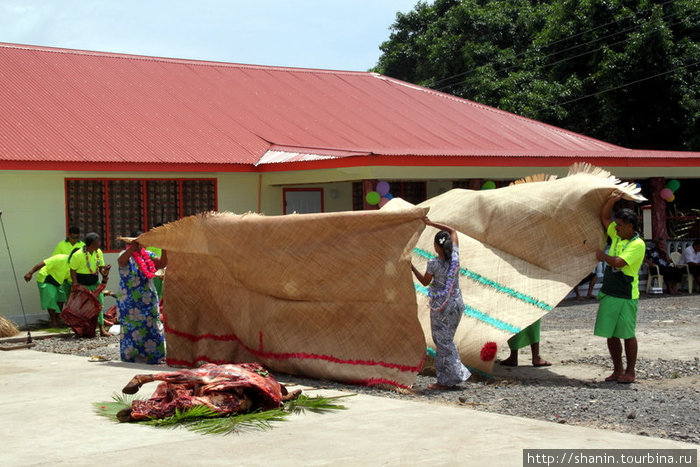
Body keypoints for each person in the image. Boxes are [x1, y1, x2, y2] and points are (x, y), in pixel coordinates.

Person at [411, 217, 471, 390]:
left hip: (441, 307)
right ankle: (450, 377)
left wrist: (412, 268)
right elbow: (453, 231)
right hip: (457, 304)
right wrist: (432, 224)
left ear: (437, 246)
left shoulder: (434, 263)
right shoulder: (455, 259)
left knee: (443, 342)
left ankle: (450, 378)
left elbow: (424, 282)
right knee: (447, 340)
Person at [594, 194, 646, 384]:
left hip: (626, 294)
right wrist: (612, 200)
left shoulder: (637, 244)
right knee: (611, 333)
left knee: (627, 334)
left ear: (630, 226)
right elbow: (605, 217)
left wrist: (602, 256)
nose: (615, 227)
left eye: (620, 225)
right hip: (610, 290)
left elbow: (619, 262)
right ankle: (617, 370)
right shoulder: (617, 234)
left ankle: (630, 372)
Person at [117, 235, 167, 364]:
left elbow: (162, 264)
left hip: (147, 296)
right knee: (131, 327)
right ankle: (131, 356)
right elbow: (121, 262)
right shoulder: (125, 254)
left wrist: (165, 249)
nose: (143, 246)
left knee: (152, 324)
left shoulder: (148, 254)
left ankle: (154, 355)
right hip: (130, 298)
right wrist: (131, 250)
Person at [68, 232, 111, 337]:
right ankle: (82, 329)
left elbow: (100, 267)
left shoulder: (98, 252)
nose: (99, 244)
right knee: (83, 308)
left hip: (95, 283)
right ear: (91, 244)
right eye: (97, 242)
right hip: (83, 284)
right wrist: (75, 284)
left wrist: (104, 271)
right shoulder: (77, 254)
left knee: (99, 305)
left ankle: (101, 329)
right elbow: (72, 270)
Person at [24, 254, 71, 327]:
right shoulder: (60, 258)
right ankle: (53, 321)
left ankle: (57, 317)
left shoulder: (76, 265)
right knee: (51, 298)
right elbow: (43, 263)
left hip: (57, 280)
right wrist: (30, 273)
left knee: (61, 297)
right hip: (46, 278)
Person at [52, 226, 85, 310]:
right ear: (69, 235)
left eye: (76, 238)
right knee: (62, 298)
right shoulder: (61, 245)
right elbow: (55, 259)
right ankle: (61, 317)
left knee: (76, 299)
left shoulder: (82, 245)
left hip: (77, 277)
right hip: (63, 277)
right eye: (72, 237)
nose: (74, 240)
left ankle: (74, 318)